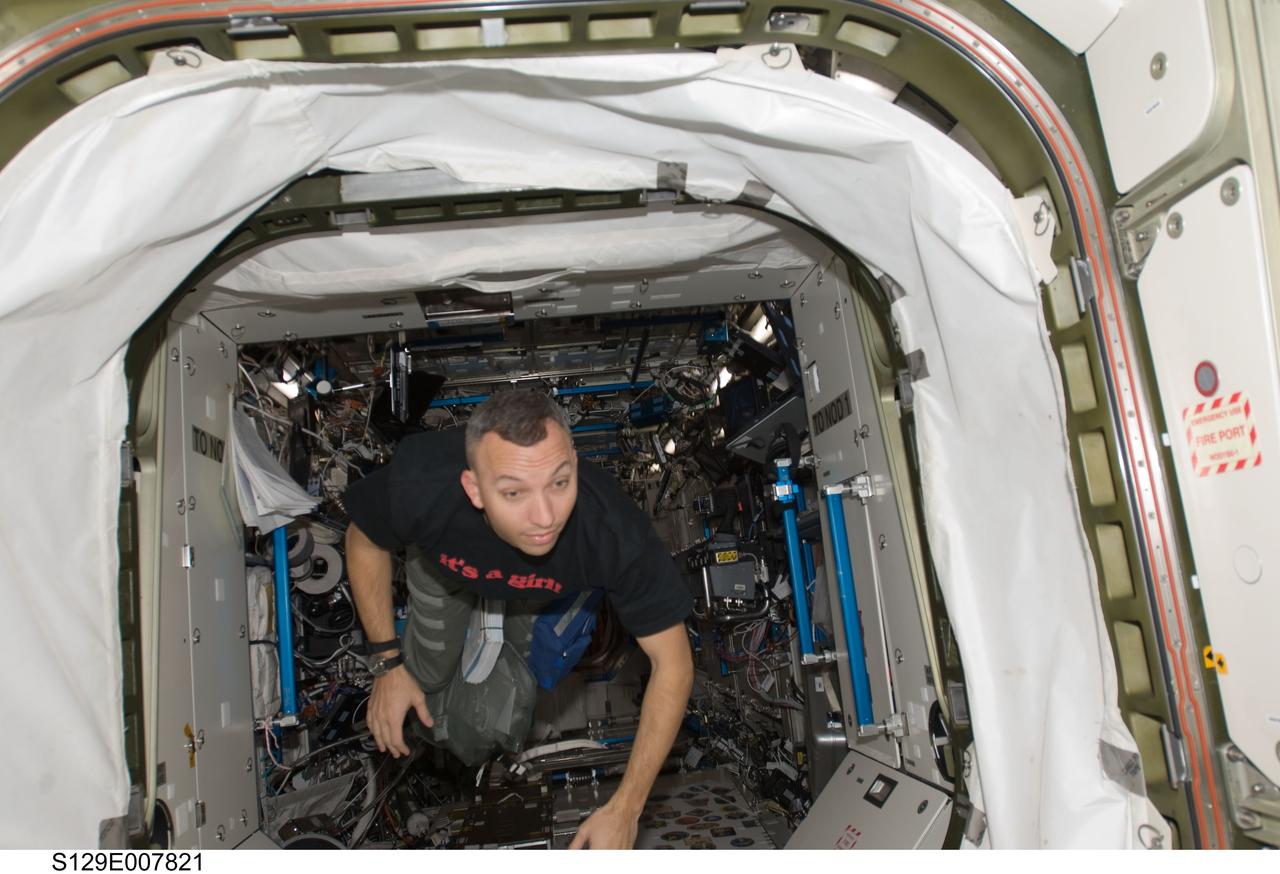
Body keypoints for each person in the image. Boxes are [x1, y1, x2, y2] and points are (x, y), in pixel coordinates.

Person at [343, 389, 694, 849]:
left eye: (559, 483)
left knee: (499, 715)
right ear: (473, 489)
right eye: (513, 492)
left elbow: (674, 663)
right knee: (426, 675)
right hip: (445, 574)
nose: (544, 517)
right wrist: (387, 666)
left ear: (573, 459)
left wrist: (626, 808)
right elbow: (364, 537)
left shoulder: (611, 530)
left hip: (537, 594)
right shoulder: (422, 483)